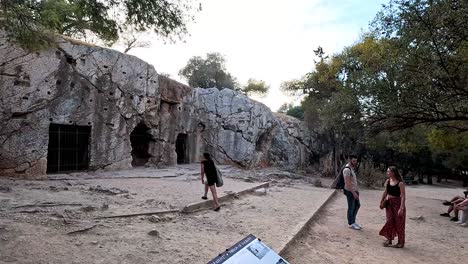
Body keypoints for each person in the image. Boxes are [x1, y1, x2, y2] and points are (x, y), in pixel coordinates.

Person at [379, 166, 406, 248]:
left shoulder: (400, 183)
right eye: (387, 171)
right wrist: (381, 201)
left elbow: (403, 196)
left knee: (399, 224)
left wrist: (401, 208)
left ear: (393, 173)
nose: (387, 173)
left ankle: (401, 243)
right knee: (389, 221)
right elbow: (385, 192)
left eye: (388, 171)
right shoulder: (388, 181)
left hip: (398, 204)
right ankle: (389, 239)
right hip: (389, 204)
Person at [343, 154, 361, 230]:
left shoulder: (351, 168)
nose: (355, 162)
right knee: (351, 207)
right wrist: (353, 193)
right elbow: (347, 183)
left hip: (355, 190)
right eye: (353, 161)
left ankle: (353, 221)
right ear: (350, 160)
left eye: (356, 161)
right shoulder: (347, 170)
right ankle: (351, 223)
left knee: (357, 205)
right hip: (350, 191)